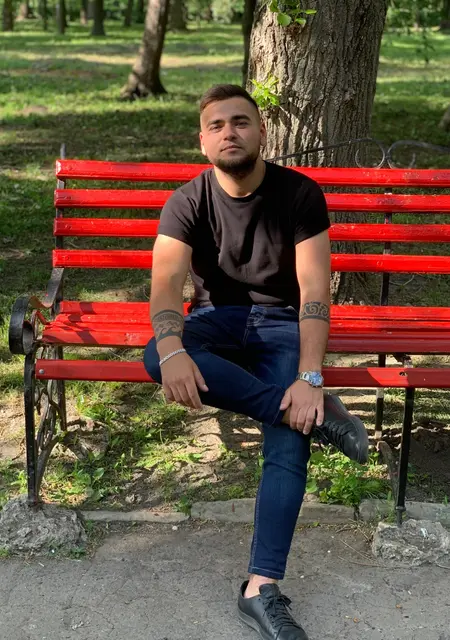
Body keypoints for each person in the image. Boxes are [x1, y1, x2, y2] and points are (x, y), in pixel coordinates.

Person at [144, 84, 368, 640]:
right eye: (217, 125)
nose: (230, 133)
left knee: (290, 438)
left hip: (282, 324)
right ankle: (310, 413)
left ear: (262, 132)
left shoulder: (299, 193)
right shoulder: (187, 201)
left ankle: (260, 589)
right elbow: (166, 286)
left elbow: (315, 291)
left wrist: (309, 377)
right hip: (215, 320)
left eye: (240, 122)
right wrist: (172, 351)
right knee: (156, 356)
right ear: (203, 141)